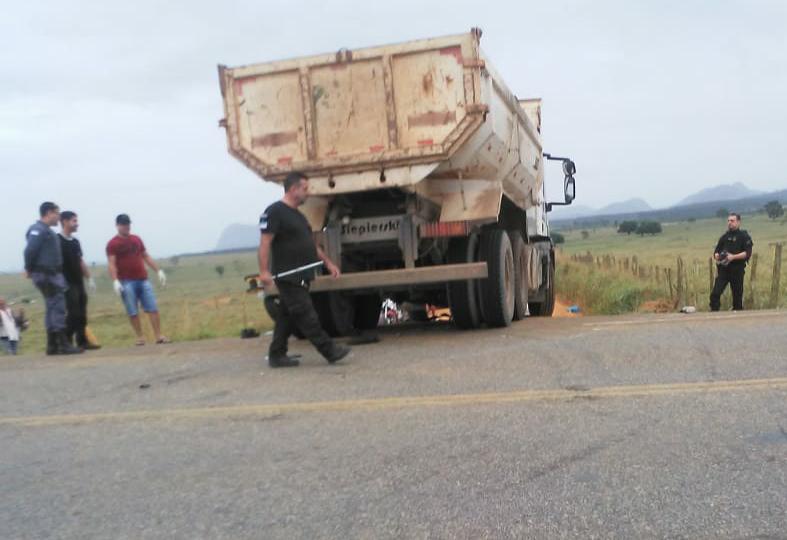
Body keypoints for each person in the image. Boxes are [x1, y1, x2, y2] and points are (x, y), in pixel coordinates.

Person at [258, 171, 350, 368]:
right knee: (308, 316)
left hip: (303, 274)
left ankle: (277, 355)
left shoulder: (299, 216)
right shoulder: (274, 212)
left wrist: (328, 263)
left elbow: (310, 244)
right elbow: (265, 243)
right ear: (293, 189)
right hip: (289, 276)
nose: (308, 193)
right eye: (305, 189)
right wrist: (264, 271)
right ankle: (330, 351)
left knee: (286, 316)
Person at [24, 202, 82, 355]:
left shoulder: (46, 231)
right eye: (57, 213)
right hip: (47, 274)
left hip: (50, 274)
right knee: (57, 307)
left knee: (52, 307)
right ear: (48, 213)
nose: (58, 216)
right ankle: (63, 344)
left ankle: (52, 345)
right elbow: (30, 250)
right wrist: (29, 268)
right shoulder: (38, 230)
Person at [106, 214, 170, 345]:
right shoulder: (113, 244)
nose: (126, 226)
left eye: (128, 224)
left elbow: (145, 256)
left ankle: (159, 336)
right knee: (132, 310)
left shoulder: (136, 239)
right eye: (123, 224)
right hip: (126, 281)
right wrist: (115, 280)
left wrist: (158, 270)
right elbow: (111, 263)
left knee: (152, 307)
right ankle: (140, 337)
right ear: (117, 225)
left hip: (142, 279)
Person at [58, 211, 100, 350]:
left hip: (78, 281)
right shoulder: (57, 240)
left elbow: (80, 261)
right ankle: (67, 342)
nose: (77, 224)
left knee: (82, 312)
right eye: (74, 221)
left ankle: (82, 341)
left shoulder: (75, 242)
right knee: (73, 312)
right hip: (66, 283)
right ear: (64, 221)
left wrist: (89, 278)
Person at [710, 212, 753, 311]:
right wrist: (717, 256)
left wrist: (733, 257)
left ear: (738, 222)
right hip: (723, 270)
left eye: (732, 221)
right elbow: (716, 252)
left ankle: (737, 321)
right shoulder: (724, 237)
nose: (730, 223)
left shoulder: (744, 236)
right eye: (728, 221)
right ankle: (714, 314)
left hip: (737, 270)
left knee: (737, 299)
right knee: (715, 294)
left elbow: (747, 253)